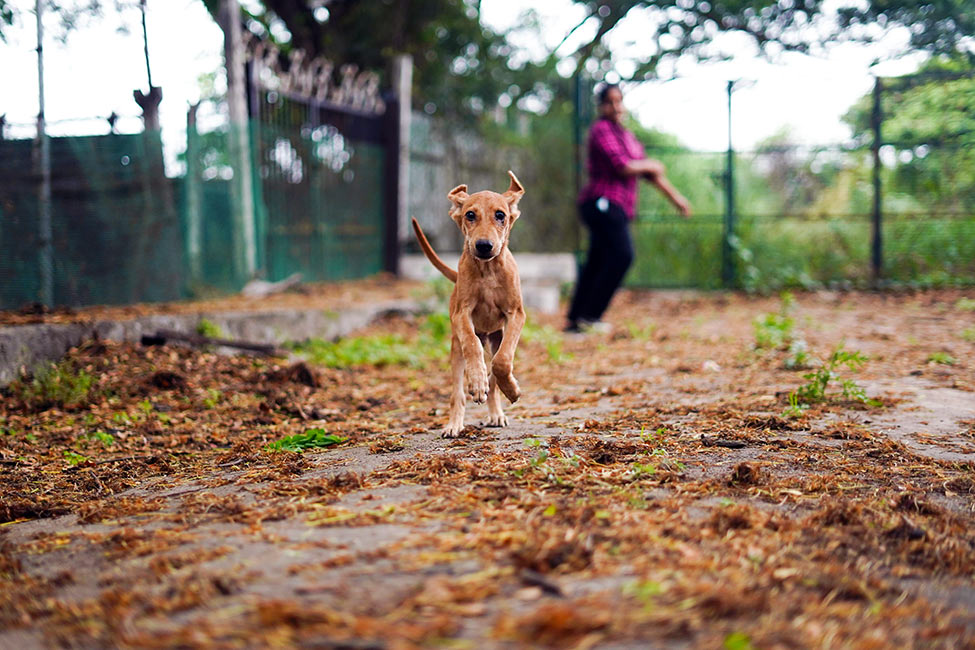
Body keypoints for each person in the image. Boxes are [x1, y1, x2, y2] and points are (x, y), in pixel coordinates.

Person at [565, 83, 692, 333]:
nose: (615, 107)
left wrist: (677, 199)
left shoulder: (628, 137)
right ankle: (591, 316)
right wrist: (651, 164)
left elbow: (649, 174)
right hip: (601, 202)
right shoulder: (600, 130)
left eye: (619, 101)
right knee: (622, 255)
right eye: (610, 102)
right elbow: (622, 166)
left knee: (597, 260)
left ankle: (577, 318)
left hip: (619, 206)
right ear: (601, 106)